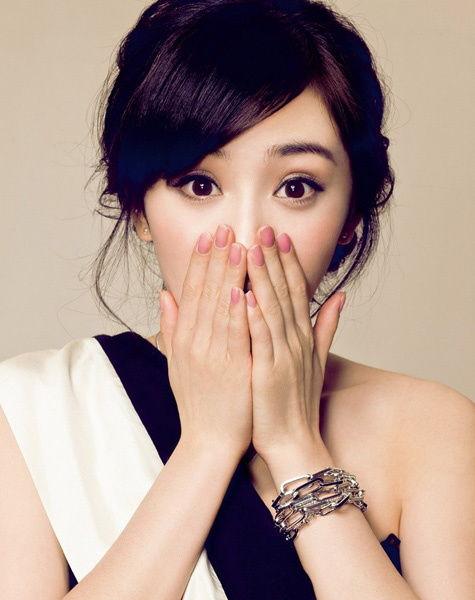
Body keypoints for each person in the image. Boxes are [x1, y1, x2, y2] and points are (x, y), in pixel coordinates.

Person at [1, 1, 473, 599]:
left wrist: (295, 446)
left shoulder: (431, 429)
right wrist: (207, 447)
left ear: (351, 216)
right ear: (138, 207)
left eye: (296, 187)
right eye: (200, 184)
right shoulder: (34, 412)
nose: (247, 238)